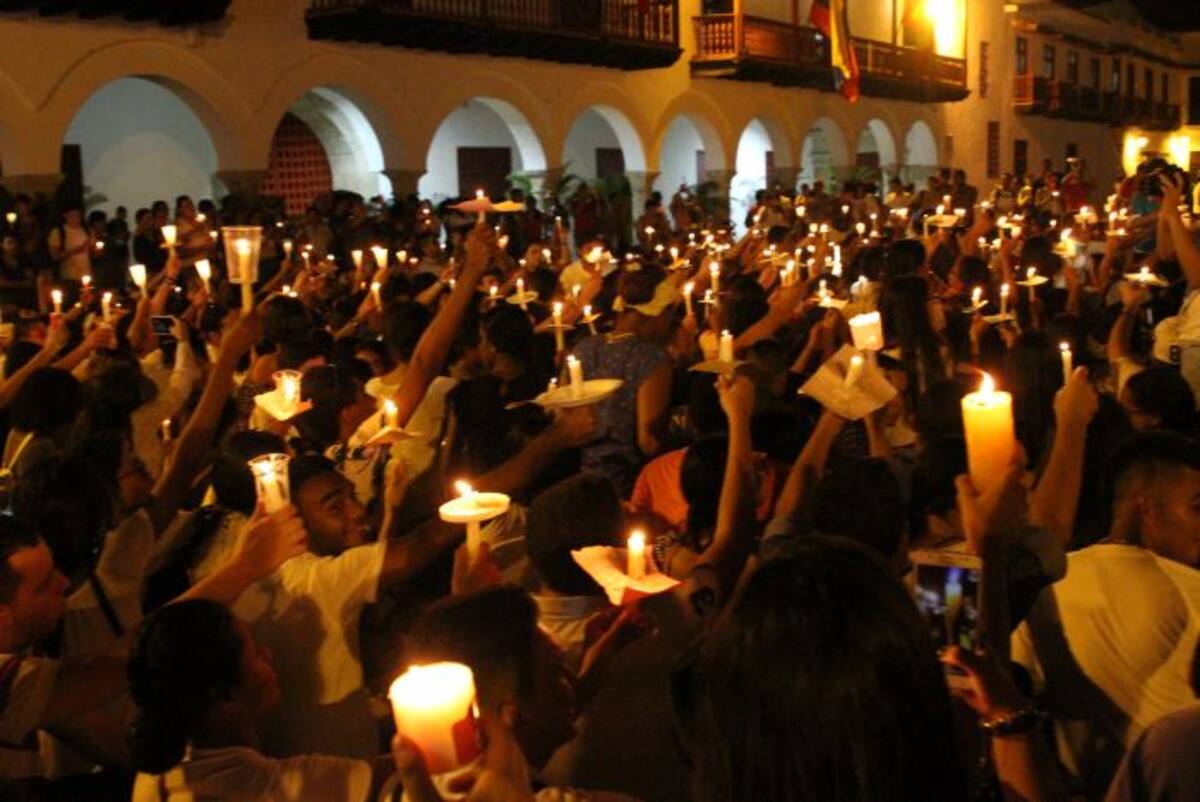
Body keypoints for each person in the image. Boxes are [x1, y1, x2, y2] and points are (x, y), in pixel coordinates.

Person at [1013, 432, 1200, 798]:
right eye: (1198, 507)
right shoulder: (1190, 591)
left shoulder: (1042, 592)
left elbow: (1017, 688)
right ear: (1146, 508)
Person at [128, 600, 401, 802]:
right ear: (228, 696)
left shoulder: (153, 773)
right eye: (256, 653)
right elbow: (387, 775)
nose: (269, 655)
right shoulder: (259, 784)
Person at [571, 267, 675, 495]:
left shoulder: (583, 349)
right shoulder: (651, 357)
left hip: (581, 482)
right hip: (629, 486)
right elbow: (649, 442)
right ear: (658, 313)